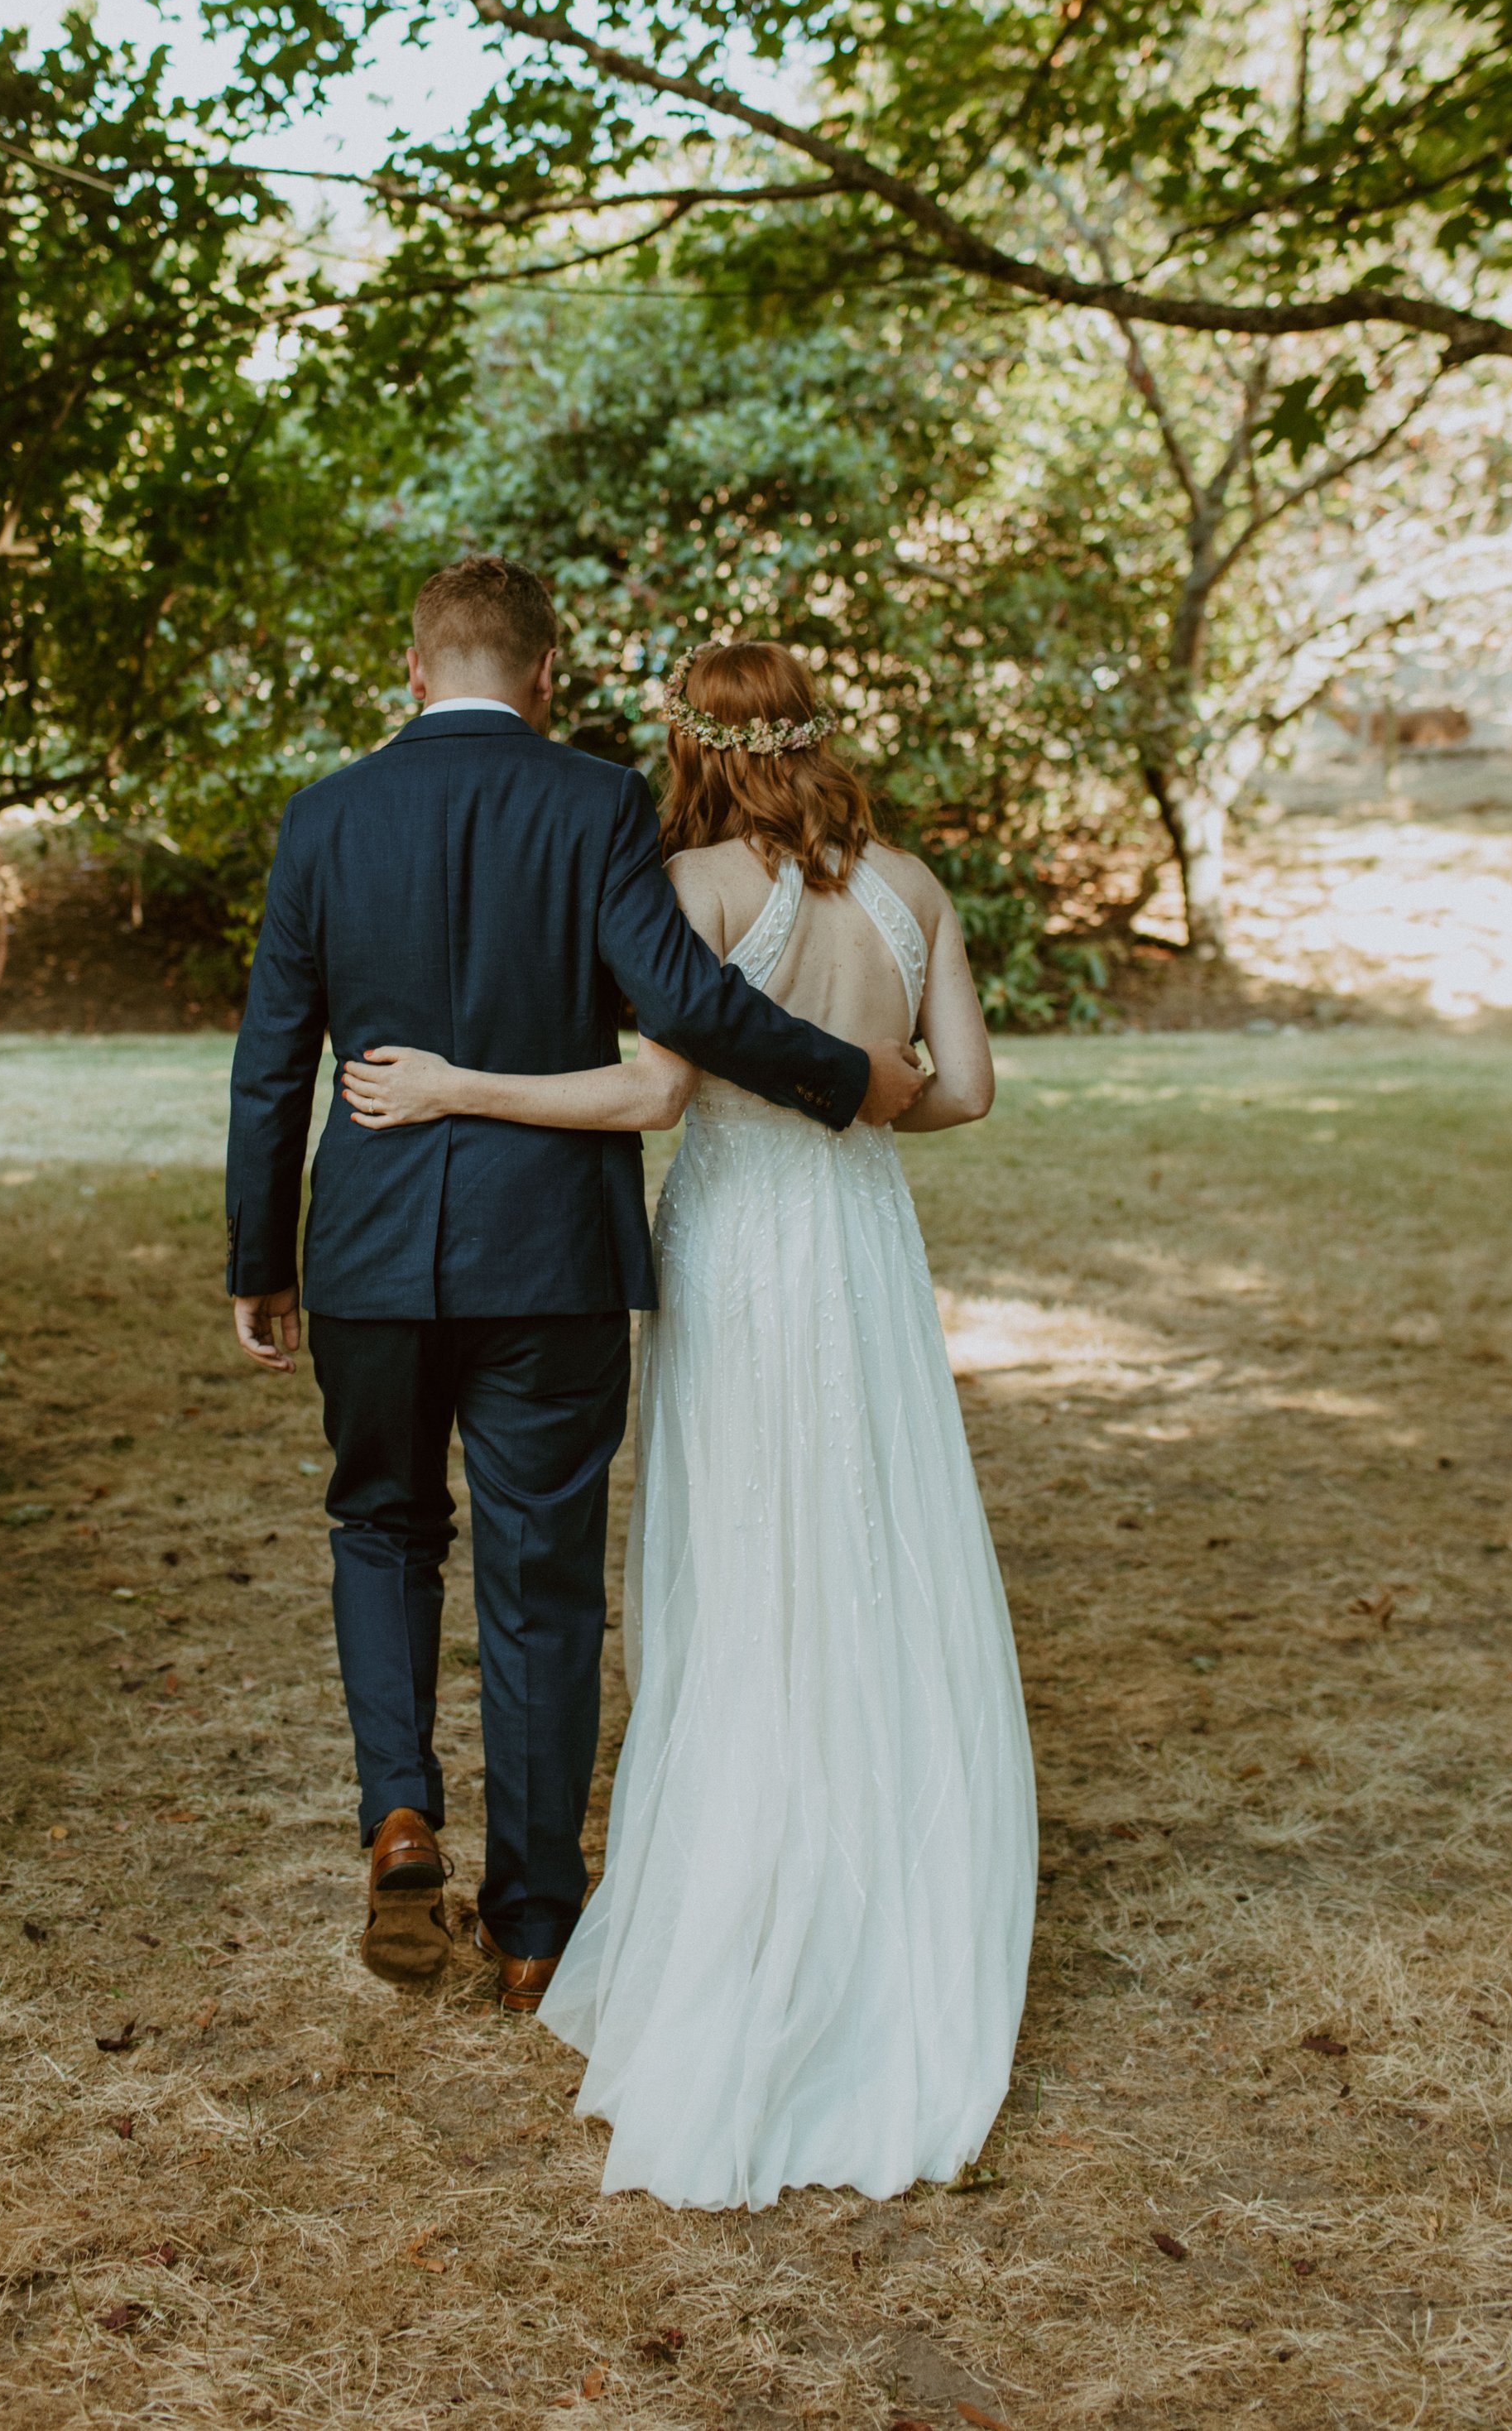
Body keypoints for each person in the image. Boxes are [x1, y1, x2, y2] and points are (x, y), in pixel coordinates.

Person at [341, 637, 1037, 2210]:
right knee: (877, 1540)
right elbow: (968, 1091)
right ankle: (889, 1879)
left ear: (693, 745)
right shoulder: (913, 885)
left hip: (737, 1253)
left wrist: (458, 1085)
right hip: (860, 1245)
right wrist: (864, 1096)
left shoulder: (697, 884)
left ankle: (745, 1886)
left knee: (743, 1561)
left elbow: (647, 1093)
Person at [226, 563, 924, 2010]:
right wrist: (844, 1074)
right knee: (541, 1575)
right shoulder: (598, 800)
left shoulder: (325, 816)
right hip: (548, 1257)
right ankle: (538, 1920)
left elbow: (269, 1058)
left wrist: (261, 1257)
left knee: (379, 1524)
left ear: (411, 672)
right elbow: (678, 1001)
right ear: (547, 676)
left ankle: (401, 1810)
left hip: (363, 1252)